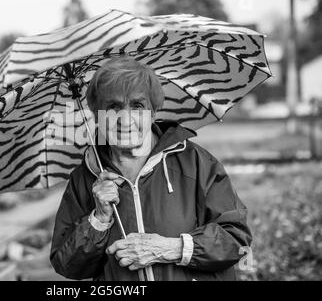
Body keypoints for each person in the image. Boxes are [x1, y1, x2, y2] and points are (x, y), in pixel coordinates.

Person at [49, 57, 252, 281]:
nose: (125, 121)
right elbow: (67, 265)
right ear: (97, 115)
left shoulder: (194, 162)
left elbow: (237, 240)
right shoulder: (85, 179)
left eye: (137, 106)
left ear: (153, 112)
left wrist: (170, 249)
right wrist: (98, 220)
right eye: (113, 107)